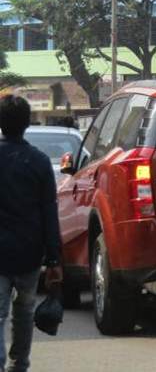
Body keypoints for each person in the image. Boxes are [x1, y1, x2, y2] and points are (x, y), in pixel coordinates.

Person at [0, 95, 62, 372]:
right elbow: (50, 213)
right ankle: (19, 365)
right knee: (23, 314)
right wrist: (54, 260)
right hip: (29, 254)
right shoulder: (38, 162)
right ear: (27, 123)